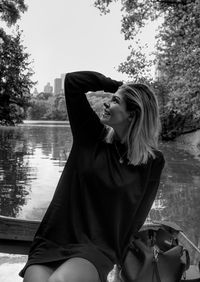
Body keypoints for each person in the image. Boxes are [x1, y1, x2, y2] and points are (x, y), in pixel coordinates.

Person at [19, 71, 165, 282]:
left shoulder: (153, 161)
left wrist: (119, 254)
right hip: (55, 239)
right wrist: (117, 85)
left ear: (132, 114)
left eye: (115, 101)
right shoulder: (91, 136)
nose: (106, 103)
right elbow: (73, 82)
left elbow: (138, 215)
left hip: (97, 247)